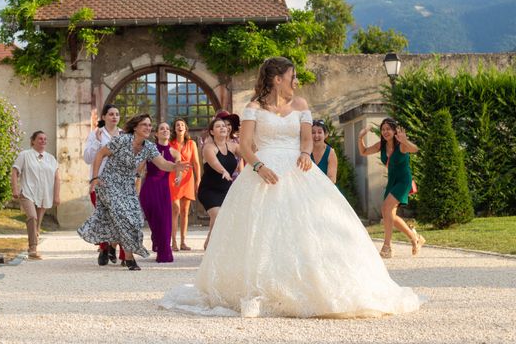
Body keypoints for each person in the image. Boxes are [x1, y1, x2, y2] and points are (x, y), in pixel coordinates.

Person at [161, 57, 421, 318]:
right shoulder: (254, 107)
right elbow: (247, 145)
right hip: (263, 171)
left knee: (311, 226)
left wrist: (306, 154)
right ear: (277, 79)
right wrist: (258, 167)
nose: (296, 82)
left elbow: (306, 140)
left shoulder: (301, 105)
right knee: (261, 230)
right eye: (292, 76)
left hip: (298, 169)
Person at [77, 114, 190, 270]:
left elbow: (163, 164)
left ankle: (111, 246)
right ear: (135, 127)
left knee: (135, 220)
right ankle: (129, 259)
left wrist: (175, 167)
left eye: (150, 125)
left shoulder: (149, 147)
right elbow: (100, 154)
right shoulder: (122, 140)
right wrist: (95, 178)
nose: (148, 128)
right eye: (144, 124)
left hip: (128, 187)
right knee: (123, 216)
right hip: (109, 184)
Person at [358, 118, 424, 258]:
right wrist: (360, 138)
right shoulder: (381, 145)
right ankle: (415, 238)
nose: (385, 132)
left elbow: (415, 149)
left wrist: (405, 141)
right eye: (383, 129)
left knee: (386, 209)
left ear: (395, 131)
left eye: (388, 129)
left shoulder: (401, 146)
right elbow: (363, 152)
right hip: (392, 181)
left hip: (403, 181)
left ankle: (387, 247)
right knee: (390, 215)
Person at [83, 103, 125, 266]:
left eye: (117, 114)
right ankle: (104, 247)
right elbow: (87, 158)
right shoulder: (96, 134)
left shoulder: (123, 135)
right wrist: (97, 143)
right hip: (99, 181)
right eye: (111, 114)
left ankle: (124, 255)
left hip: (119, 183)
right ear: (104, 117)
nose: (114, 116)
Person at [11, 131, 61, 260]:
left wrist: (56, 196)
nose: (43, 141)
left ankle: (34, 246)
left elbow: (57, 178)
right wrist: (15, 189)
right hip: (27, 192)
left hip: (44, 194)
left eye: (45, 139)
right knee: (32, 217)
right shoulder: (24, 155)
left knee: (37, 223)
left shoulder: (51, 158)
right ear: (33, 141)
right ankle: (32, 248)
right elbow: (15, 171)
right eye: (40, 139)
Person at [139, 122, 181, 263]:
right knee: (154, 220)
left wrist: (178, 177)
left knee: (165, 220)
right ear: (156, 134)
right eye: (161, 128)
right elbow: (140, 168)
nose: (165, 130)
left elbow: (179, 167)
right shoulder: (150, 149)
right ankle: (157, 239)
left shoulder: (174, 152)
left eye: (167, 129)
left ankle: (164, 253)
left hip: (164, 189)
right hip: (150, 187)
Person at [198, 117, 241, 250]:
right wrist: (223, 171)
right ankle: (214, 245)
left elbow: (249, 155)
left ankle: (210, 241)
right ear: (212, 132)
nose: (223, 128)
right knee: (218, 215)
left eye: (224, 126)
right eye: (218, 126)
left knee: (219, 219)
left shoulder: (234, 146)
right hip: (209, 190)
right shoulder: (209, 147)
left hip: (227, 189)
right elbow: (214, 162)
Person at [169, 118, 201, 251]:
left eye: (182, 124)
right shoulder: (170, 143)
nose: (180, 126)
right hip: (174, 177)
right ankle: (174, 242)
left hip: (188, 178)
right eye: (177, 125)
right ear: (175, 129)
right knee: (175, 209)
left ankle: (183, 242)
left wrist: (198, 180)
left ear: (185, 128)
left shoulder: (191, 143)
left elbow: (196, 163)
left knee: (185, 210)